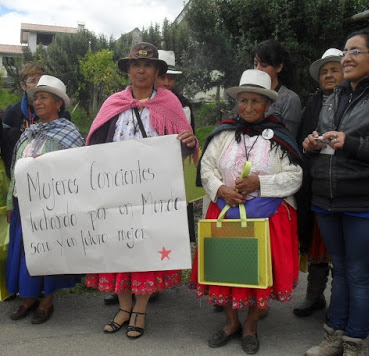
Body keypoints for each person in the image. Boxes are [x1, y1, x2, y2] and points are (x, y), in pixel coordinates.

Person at [85, 42, 198, 339]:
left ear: (157, 71)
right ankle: (124, 307)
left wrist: (188, 141)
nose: (141, 70)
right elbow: (94, 145)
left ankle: (141, 308)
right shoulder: (114, 103)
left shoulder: (169, 102)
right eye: (136, 65)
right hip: (116, 195)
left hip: (153, 197)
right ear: (128, 70)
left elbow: (187, 145)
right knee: (118, 248)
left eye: (148, 65)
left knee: (145, 250)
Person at [189, 69, 303, 354]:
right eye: (244, 101)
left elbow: (295, 176)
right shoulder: (223, 133)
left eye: (256, 101)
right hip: (225, 210)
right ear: (237, 103)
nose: (249, 107)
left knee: (258, 272)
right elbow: (206, 168)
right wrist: (221, 189)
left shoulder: (280, 137)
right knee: (224, 269)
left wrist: (259, 183)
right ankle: (230, 323)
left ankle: (251, 325)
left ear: (267, 105)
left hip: (267, 216)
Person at [303, 28, 369, 356]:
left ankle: (355, 343)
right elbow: (326, 139)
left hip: (367, 200)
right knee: (341, 269)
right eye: (346, 51)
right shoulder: (335, 96)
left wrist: (353, 143)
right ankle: (334, 337)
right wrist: (313, 144)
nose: (346, 58)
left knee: (359, 272)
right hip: (327, 198)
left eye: (356, 51)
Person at [6, 75, 84, 324]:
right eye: (35, 98)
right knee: (24, 254)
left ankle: (47, 302)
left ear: (58, 103)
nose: (37, 102)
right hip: (23, 205)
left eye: (43, 97)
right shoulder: (28, 133)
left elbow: (78, 171)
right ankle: (28, 299)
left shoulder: (69, 134)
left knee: (48, 254)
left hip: (52, 207)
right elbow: (14, 170)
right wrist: (11, 203)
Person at [294, 48, 344, 317]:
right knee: (317, 240)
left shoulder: (354, 102)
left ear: (345, 71)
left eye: (334, 69)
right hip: (317, 182)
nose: (328, 75)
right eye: (324, 71)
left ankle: (339, 302)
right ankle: (314, 296)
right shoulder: (312, 104)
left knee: (340, 246)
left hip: (346, 183)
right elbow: (303, 138)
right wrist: (309, 147)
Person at [2, 63, 71, 178]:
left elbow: (70, 156)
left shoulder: (63, 117)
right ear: (23, 85)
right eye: (33, 81)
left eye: (40, 80)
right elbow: (6, 148)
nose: (38, 84)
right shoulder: (12, 113)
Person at [253, 39, 302, 138]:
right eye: (255, 64)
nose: (258, 69)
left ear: (279, 67)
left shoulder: (289, 99)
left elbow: (288, 140)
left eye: (264, 65)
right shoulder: (249, 95)